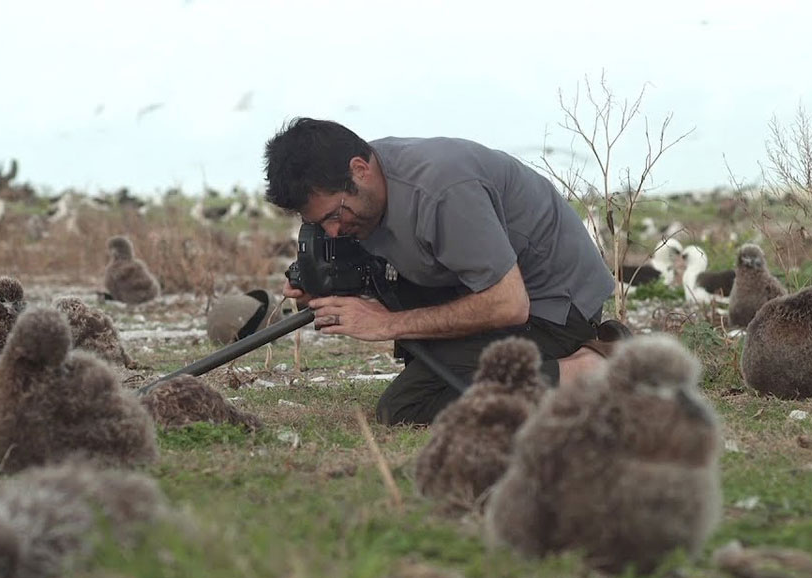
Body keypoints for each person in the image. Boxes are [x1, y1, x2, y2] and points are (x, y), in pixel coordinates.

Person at [264, 118, 624, 425]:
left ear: (360, 170)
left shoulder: (443, 189)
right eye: (318, 223)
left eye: (334, 215)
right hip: (483, 291)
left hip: (553, 307)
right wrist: (324, 287)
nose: (333, 231)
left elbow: (508, 305)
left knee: (407, 406)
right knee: (430, 373)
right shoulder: (363, 188)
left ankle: (592, 371)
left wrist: (385, 324)